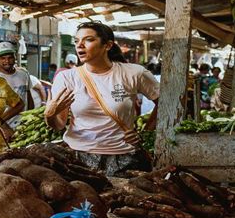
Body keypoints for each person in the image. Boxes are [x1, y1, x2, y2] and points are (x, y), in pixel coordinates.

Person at [45, 21, 159, 176]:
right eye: (77, 41)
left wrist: (146, 133)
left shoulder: (133, 73)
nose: (80, 46)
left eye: (88, 40)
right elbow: (58, 125)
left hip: (124, 158)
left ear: (108, 45)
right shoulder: (67, 78)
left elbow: (166, 104)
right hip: (78, 157)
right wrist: (50, 115)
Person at [0, 41, 44, 128]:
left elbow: (28, 98)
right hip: (3, 124)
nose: (7, 61)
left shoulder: (23, 74)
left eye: (10, 57)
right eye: (3, 58)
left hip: (23, 124)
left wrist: (30, 118)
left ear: (15, 57)